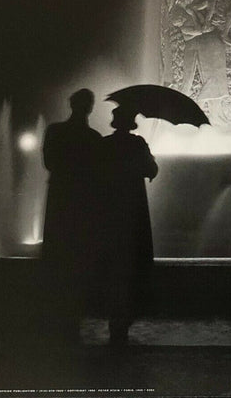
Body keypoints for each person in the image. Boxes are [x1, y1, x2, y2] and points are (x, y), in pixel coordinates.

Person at [94, 106, 159, 345]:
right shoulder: (138, 144)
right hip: (133, 208)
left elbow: (94, 172)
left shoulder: (104, 144)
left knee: (112, 264)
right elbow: (151, 170)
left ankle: (114, 316)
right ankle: (125, 316)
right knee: (132, 262)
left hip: (110, 210)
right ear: (132, 123)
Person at [42, 88, 101, 337]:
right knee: (79, 254)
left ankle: (57, 314)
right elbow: (101, 172)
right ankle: (74, 312)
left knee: (58, 253)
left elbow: (49, 163)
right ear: (90, 108)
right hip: (82, 202)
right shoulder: (94, 137)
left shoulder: (54, 131)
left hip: (59, 197)